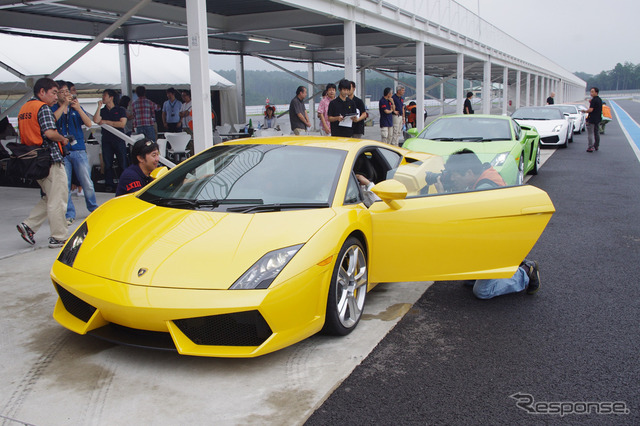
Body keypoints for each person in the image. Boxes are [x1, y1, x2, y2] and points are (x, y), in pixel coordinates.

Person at [439, 149, 540, 299]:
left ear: (468, 172)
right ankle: (504, 266)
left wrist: (441, 195)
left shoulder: (485, 190)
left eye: (454, 175)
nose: (452, 179)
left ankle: (525, 272)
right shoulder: (482, 175)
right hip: (493, 238)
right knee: (469, 277)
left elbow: (462, 222)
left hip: (499, 244)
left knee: (482, 291)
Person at [16, 77, 70, 248]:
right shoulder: (43, 108)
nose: (56, 97)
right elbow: (49, 133)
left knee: (49, 197)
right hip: (50, 160)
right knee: (58, 199)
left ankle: (29, 226)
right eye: (54, 93)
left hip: (34, 159)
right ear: (42, 92)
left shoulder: (24, 109)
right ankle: (59, 237)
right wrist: (63, 139)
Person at [51, 80, 98, 226]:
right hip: (62, 151)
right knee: (65, 184)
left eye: (67, 91)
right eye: (62, 92)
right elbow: (52, 120)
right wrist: (64, 105)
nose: (66, 94)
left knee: (87, 182)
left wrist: (78, 109)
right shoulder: (52, 108)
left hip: (78, 149)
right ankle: (69, 213)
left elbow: (89, 124)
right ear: (56, 94)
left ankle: (93, 208)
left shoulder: (75, 107)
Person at [94, 89, 128, 192]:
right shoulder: (103, 111)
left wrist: (106, 122)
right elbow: (96, 120)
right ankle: (109, 184)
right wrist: (99, 107)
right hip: (106, 140)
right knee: (107, 163)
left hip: (119, 139)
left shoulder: (120, 110)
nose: (103, 97)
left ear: (111, 97)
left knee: (122, 162)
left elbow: (122, 124)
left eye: (105, 95)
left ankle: (125, 183)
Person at [584, 87, 602, 152]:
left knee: (590, 134)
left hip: (591, 119)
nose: (591, 93)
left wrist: (585, 111)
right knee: (597, 133)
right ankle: (596, 145)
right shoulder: (600, 100)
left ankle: (590, 147)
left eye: (592, 92)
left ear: (596, 92)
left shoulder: (593, 100)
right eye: (590, 91)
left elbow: (591, 110)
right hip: (598, 119)